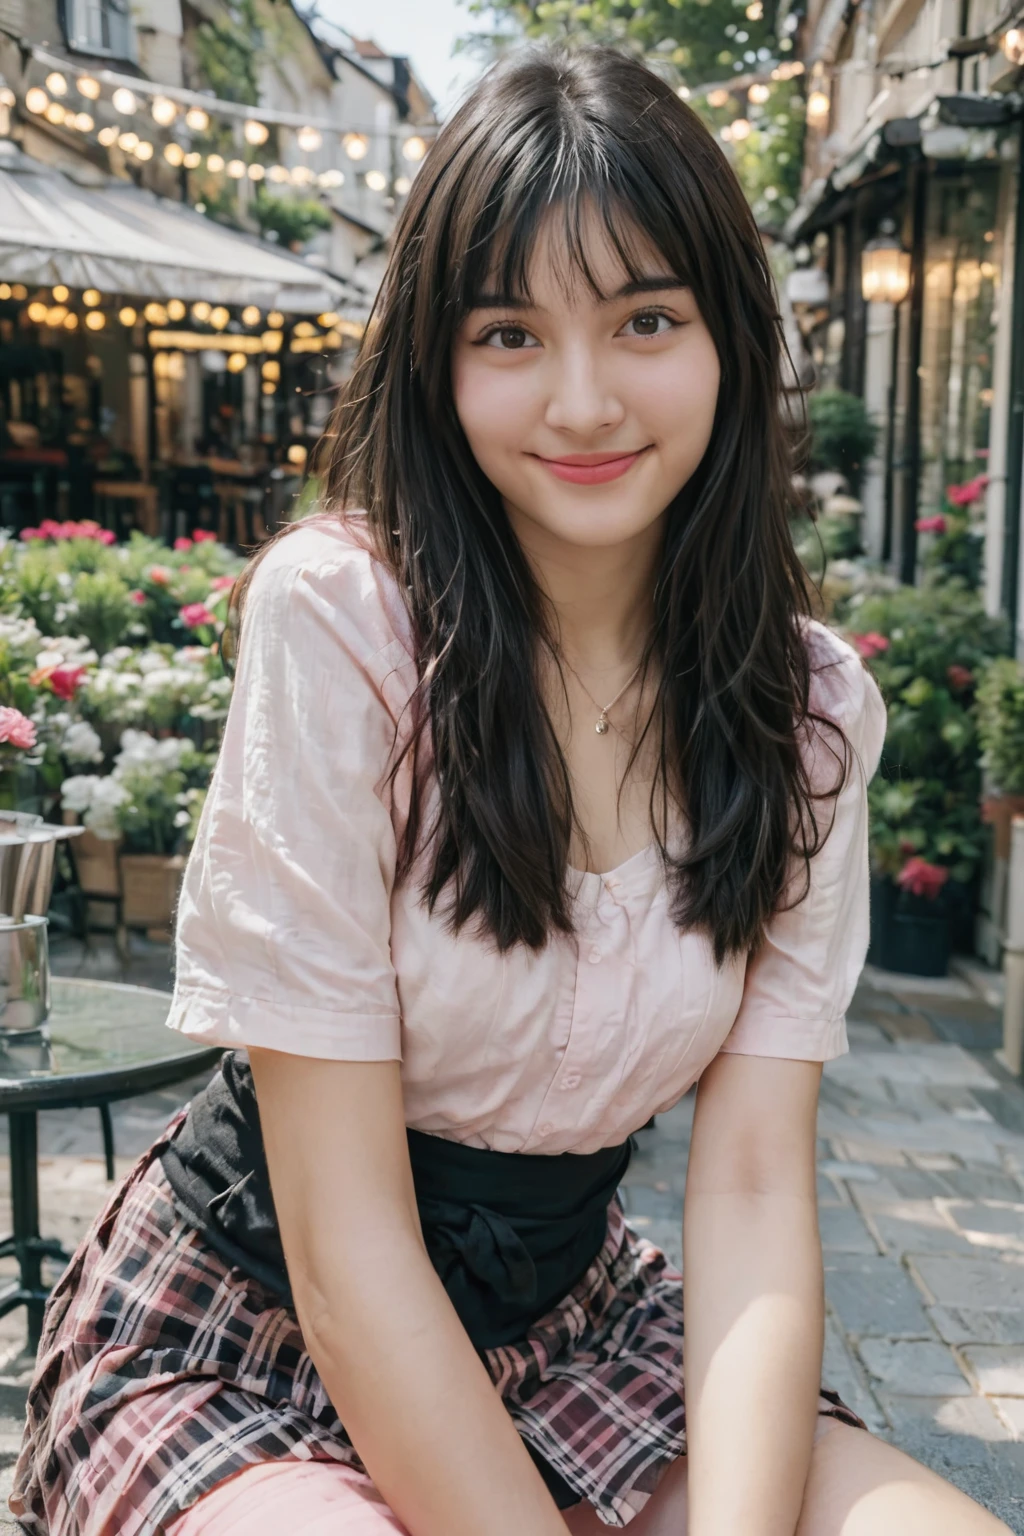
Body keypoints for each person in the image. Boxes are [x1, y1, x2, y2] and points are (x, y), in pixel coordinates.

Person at [11, 44, 1010, 1536]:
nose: (587, 399)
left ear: (730, 338)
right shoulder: (349, 629)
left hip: (578, 1328)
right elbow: (348, 1254)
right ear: (438, 361)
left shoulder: (806, 718)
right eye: (509, 333)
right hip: (251, 1330)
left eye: (646, 319)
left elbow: (744, 1192)